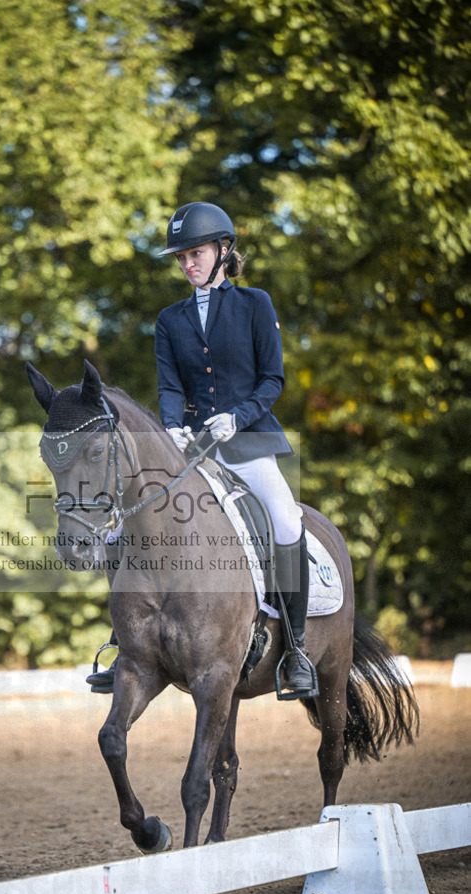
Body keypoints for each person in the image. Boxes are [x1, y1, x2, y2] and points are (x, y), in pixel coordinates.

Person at [86, 201, 314, 695]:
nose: (188, 264)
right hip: (190, 449)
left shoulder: (256, 304)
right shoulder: (170, 320)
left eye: (196, 254)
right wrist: (172, 428)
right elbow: (170, 386)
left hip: (249, 439)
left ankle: (296, 651)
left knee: (285, 517)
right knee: (122, 527)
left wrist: (239, 416)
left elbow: (272, 380)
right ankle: (125, 642)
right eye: (181, 257)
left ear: (223, 250)